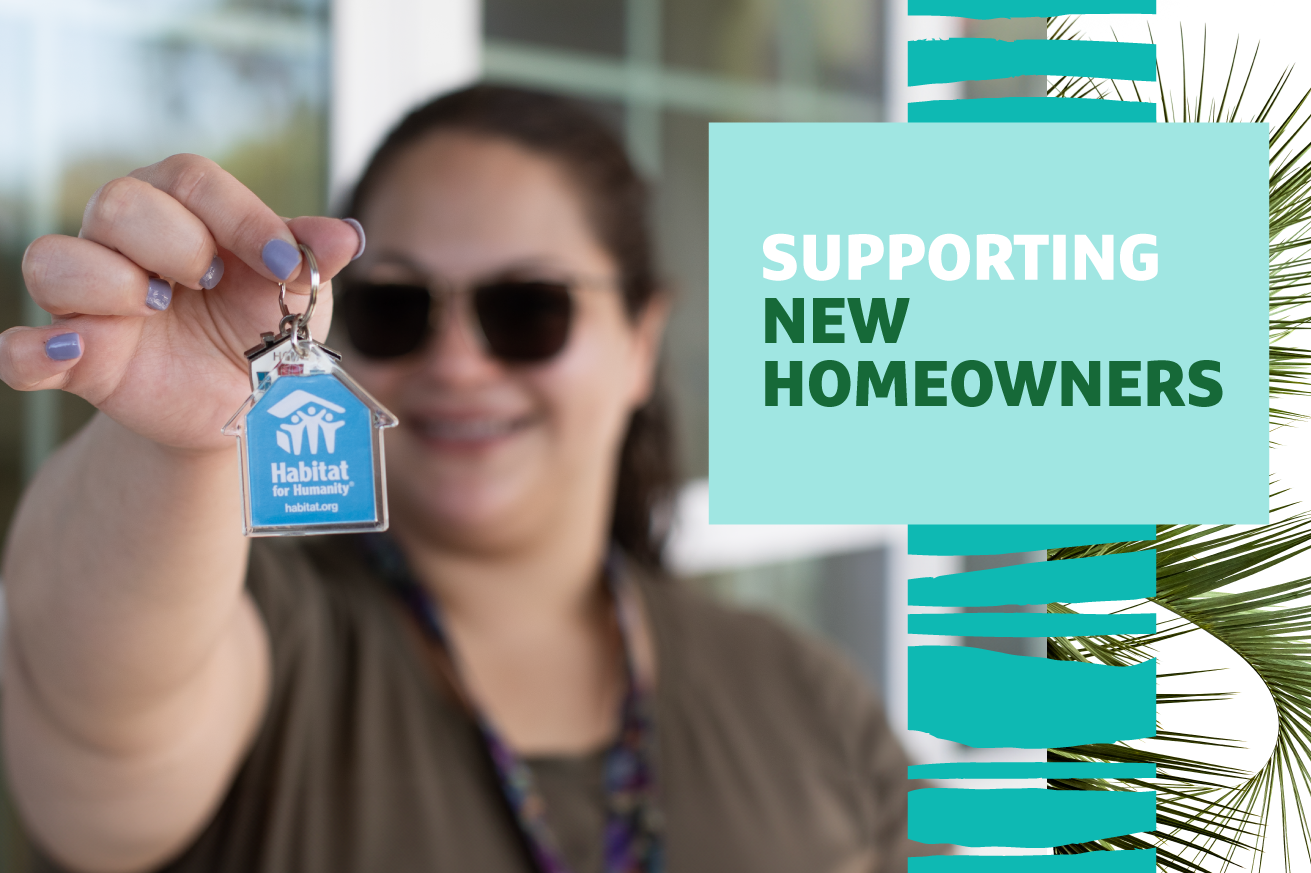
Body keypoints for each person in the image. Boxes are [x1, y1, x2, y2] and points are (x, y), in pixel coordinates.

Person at [0, 86, 912, 873]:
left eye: (528, 310)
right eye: (397, 308)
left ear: (642, 340)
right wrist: (180, 441)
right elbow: (97, 697)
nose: (460, 362)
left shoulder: (809, 698)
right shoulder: (269, 633)